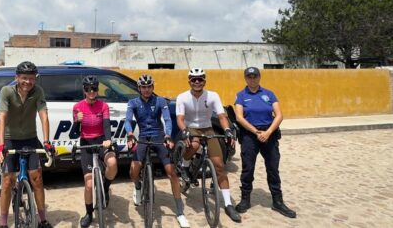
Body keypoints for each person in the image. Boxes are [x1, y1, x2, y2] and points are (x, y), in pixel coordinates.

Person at [176, 68, 241, 223]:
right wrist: (184, 131)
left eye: (200, 79)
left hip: (208, 128)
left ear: (205, 80)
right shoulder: (183, 97)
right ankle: (185, 165)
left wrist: (227, 130)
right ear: (189, 81)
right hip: (191, 126)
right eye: (194, 79)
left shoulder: (212, 96)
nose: (197, 82)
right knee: (195, 143)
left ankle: (228, 204)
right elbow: (180, 118)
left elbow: (222, 116)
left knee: (219, 166)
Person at [125, 74, 190, 228]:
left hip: (159, 137)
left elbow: (167, 119)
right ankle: (138, 186)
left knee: (171, 172)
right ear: (139, 88)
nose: (146, 90)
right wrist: (129, 134)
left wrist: (168, 135)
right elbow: (128, 120)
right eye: (143, 87)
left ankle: (180, 212)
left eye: (149, 87)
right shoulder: (133, 102)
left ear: (152, 87)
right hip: (142, 137)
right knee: (134, 171)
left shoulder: (160, 101)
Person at [0, 61, 54, 228]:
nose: (28, 82)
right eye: (24, 78)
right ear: (17, 78)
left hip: (30, 138)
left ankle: (42, 220)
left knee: (37, 178)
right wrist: (0, 145)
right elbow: (2, 118)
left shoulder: (38, 91)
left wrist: (47, 142)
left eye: (32, 78)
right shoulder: (7, 91)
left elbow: (43, 115)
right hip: (10, 138)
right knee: (7, 181)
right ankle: (3, 222)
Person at [234, 67, 296, 218]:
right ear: (245, 78)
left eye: (255, 76)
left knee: (273, 169)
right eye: (249, 76)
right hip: (250, 135)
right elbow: (239, 117)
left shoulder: (269, 94)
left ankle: (277, 201)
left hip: (270, 134)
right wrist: (256, 132)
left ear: (259, 77)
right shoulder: (241, 95)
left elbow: (279, 115)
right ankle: (245, 199)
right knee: (248, 169)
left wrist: (268, 132)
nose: (252, 79)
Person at [73, 75, 119, 227]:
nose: (91, 91)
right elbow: (74, 133)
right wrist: (77, 121)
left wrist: (108, 139)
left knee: (112, 163)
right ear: (84, 90)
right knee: (88, 184)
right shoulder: (78, 107)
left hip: (101, 140)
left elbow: (106, 126)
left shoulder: (103, 106)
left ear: (98, 89)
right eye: (88, 89)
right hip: (86, 142)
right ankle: (88, 213)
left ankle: (105, 188)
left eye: (94, 88)